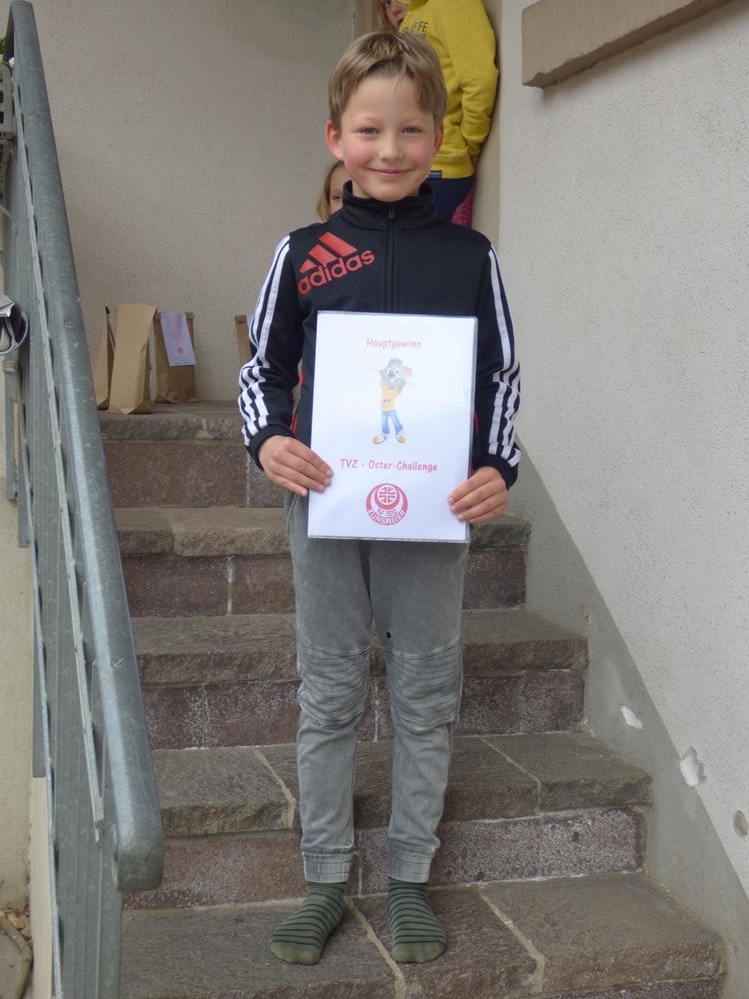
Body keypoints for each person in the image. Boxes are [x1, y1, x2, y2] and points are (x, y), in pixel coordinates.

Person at [238, 29, 520, 967]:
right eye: (369, 130)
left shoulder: (470, 256)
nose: (389, 150)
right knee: (328, 690)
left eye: (409, 130)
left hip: (432, 508)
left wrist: (497, 464)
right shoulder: (305, 252)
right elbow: (262, 368)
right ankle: (324, 878)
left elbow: (500, 377)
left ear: (437, 138)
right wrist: (269, 439)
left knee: (426, 692)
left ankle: (407, 878)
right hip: (325, 503)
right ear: (336, 137)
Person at [399, 0, 498, 226]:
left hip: (440, 164)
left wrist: (470, 142)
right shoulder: (414, 12)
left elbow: (480, 81)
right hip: (408, 161)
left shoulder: (454, 3)